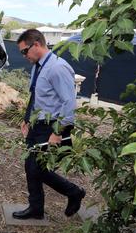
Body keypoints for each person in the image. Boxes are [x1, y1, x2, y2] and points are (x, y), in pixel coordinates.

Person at [14, 29, 85, 220]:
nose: (24, 56)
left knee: (38, 168)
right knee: (31, 167)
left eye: (24, 51)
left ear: (36, 44)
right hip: (36, 125)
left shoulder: (57, 68)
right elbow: (36, 95)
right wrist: (27, 119)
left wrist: (57, 132)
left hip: (51, 127)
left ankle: (74, 192)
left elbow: (68, 103)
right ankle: (36, 209)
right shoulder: (38, 66)